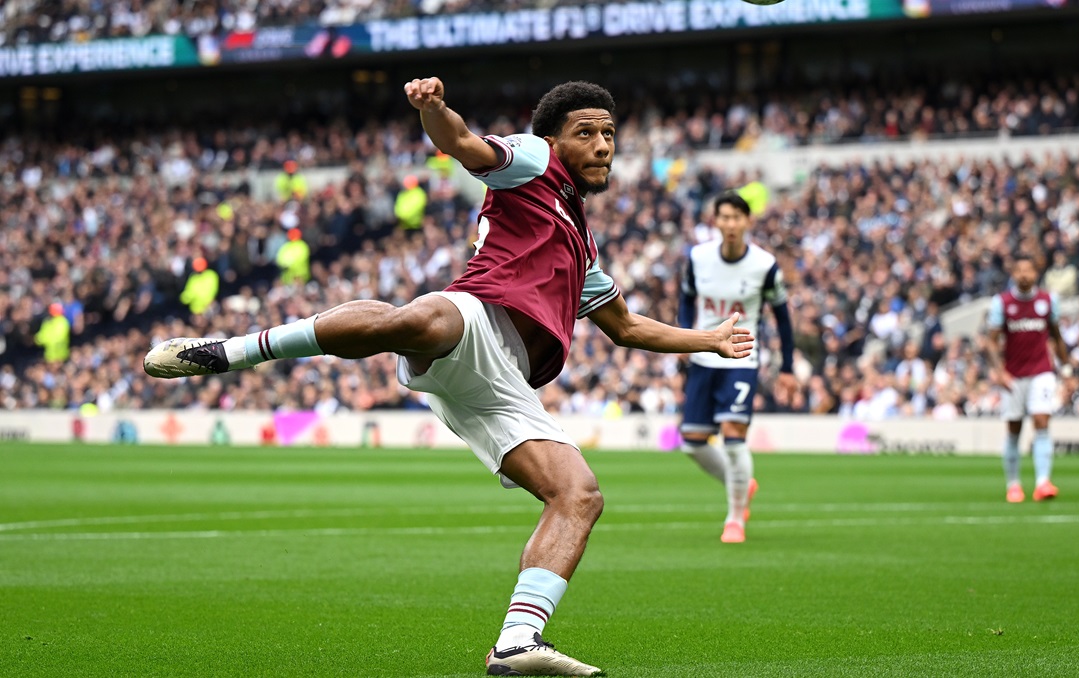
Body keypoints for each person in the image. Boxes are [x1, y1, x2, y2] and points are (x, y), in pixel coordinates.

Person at [143, 78, 753, 676]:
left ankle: (517, 643)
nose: (602, 145)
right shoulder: (533, 161)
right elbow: (462, 144)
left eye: (610, 134)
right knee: (422, 320)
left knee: (579, 495)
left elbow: (626, 328)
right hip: (476, 316)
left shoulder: (583, 246)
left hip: (507, 381)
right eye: (586, 132)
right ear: (553, 138)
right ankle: (230, 352)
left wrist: (710, 339)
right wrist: (434, 108)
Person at [677, 191, 796, 543]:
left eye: (736, 218)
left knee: (732, 437)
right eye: (723, 217)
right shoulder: (698, 258)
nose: (730, 224)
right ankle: (742, 484)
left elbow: (784, 318)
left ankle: (734, 519)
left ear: (747, 222)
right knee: (692, 442)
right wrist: (685, 336)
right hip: (703, 356)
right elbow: (686, 297)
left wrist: (787, 366)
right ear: (716, 221)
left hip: (743, 359)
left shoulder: (764, 265)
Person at [983, 254, 1071, 504]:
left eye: (1028, 270)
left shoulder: (1047, 301)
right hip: (1013, 374)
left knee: (1042, 421)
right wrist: (999, 372)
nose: (1023, 274)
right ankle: (1013, 485)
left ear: (1036, 273)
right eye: (1019, 270)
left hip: (1041, 371)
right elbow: (991, 342)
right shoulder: (1002, 303)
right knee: (1014, 428)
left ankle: (1043, 483)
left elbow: (1056, 335)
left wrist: (1066, 370)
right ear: (1013, 274)